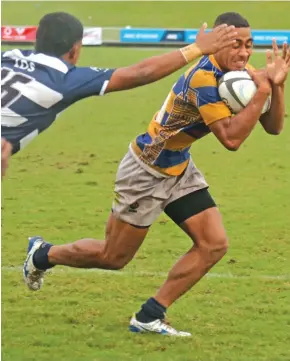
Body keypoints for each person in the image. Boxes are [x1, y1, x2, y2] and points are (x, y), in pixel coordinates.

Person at [23, 12, 290, 336]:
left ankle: (150, 315)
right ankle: (43, 254)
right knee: (113, 256)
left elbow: (274, 127)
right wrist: (262, 91)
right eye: (236, 45)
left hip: (177, 166)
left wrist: (276, 86)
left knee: (214, 244)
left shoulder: (239, 72)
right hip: (146, 171)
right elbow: (231, 139)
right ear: (219, 43)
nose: (245, 53)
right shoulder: (203, 80)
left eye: (249, 46)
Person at [1, 12, 236, 177]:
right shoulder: (65, 80)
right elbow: (140, 73)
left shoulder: (8, 56)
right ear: (75, 49)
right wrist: (197, 49)